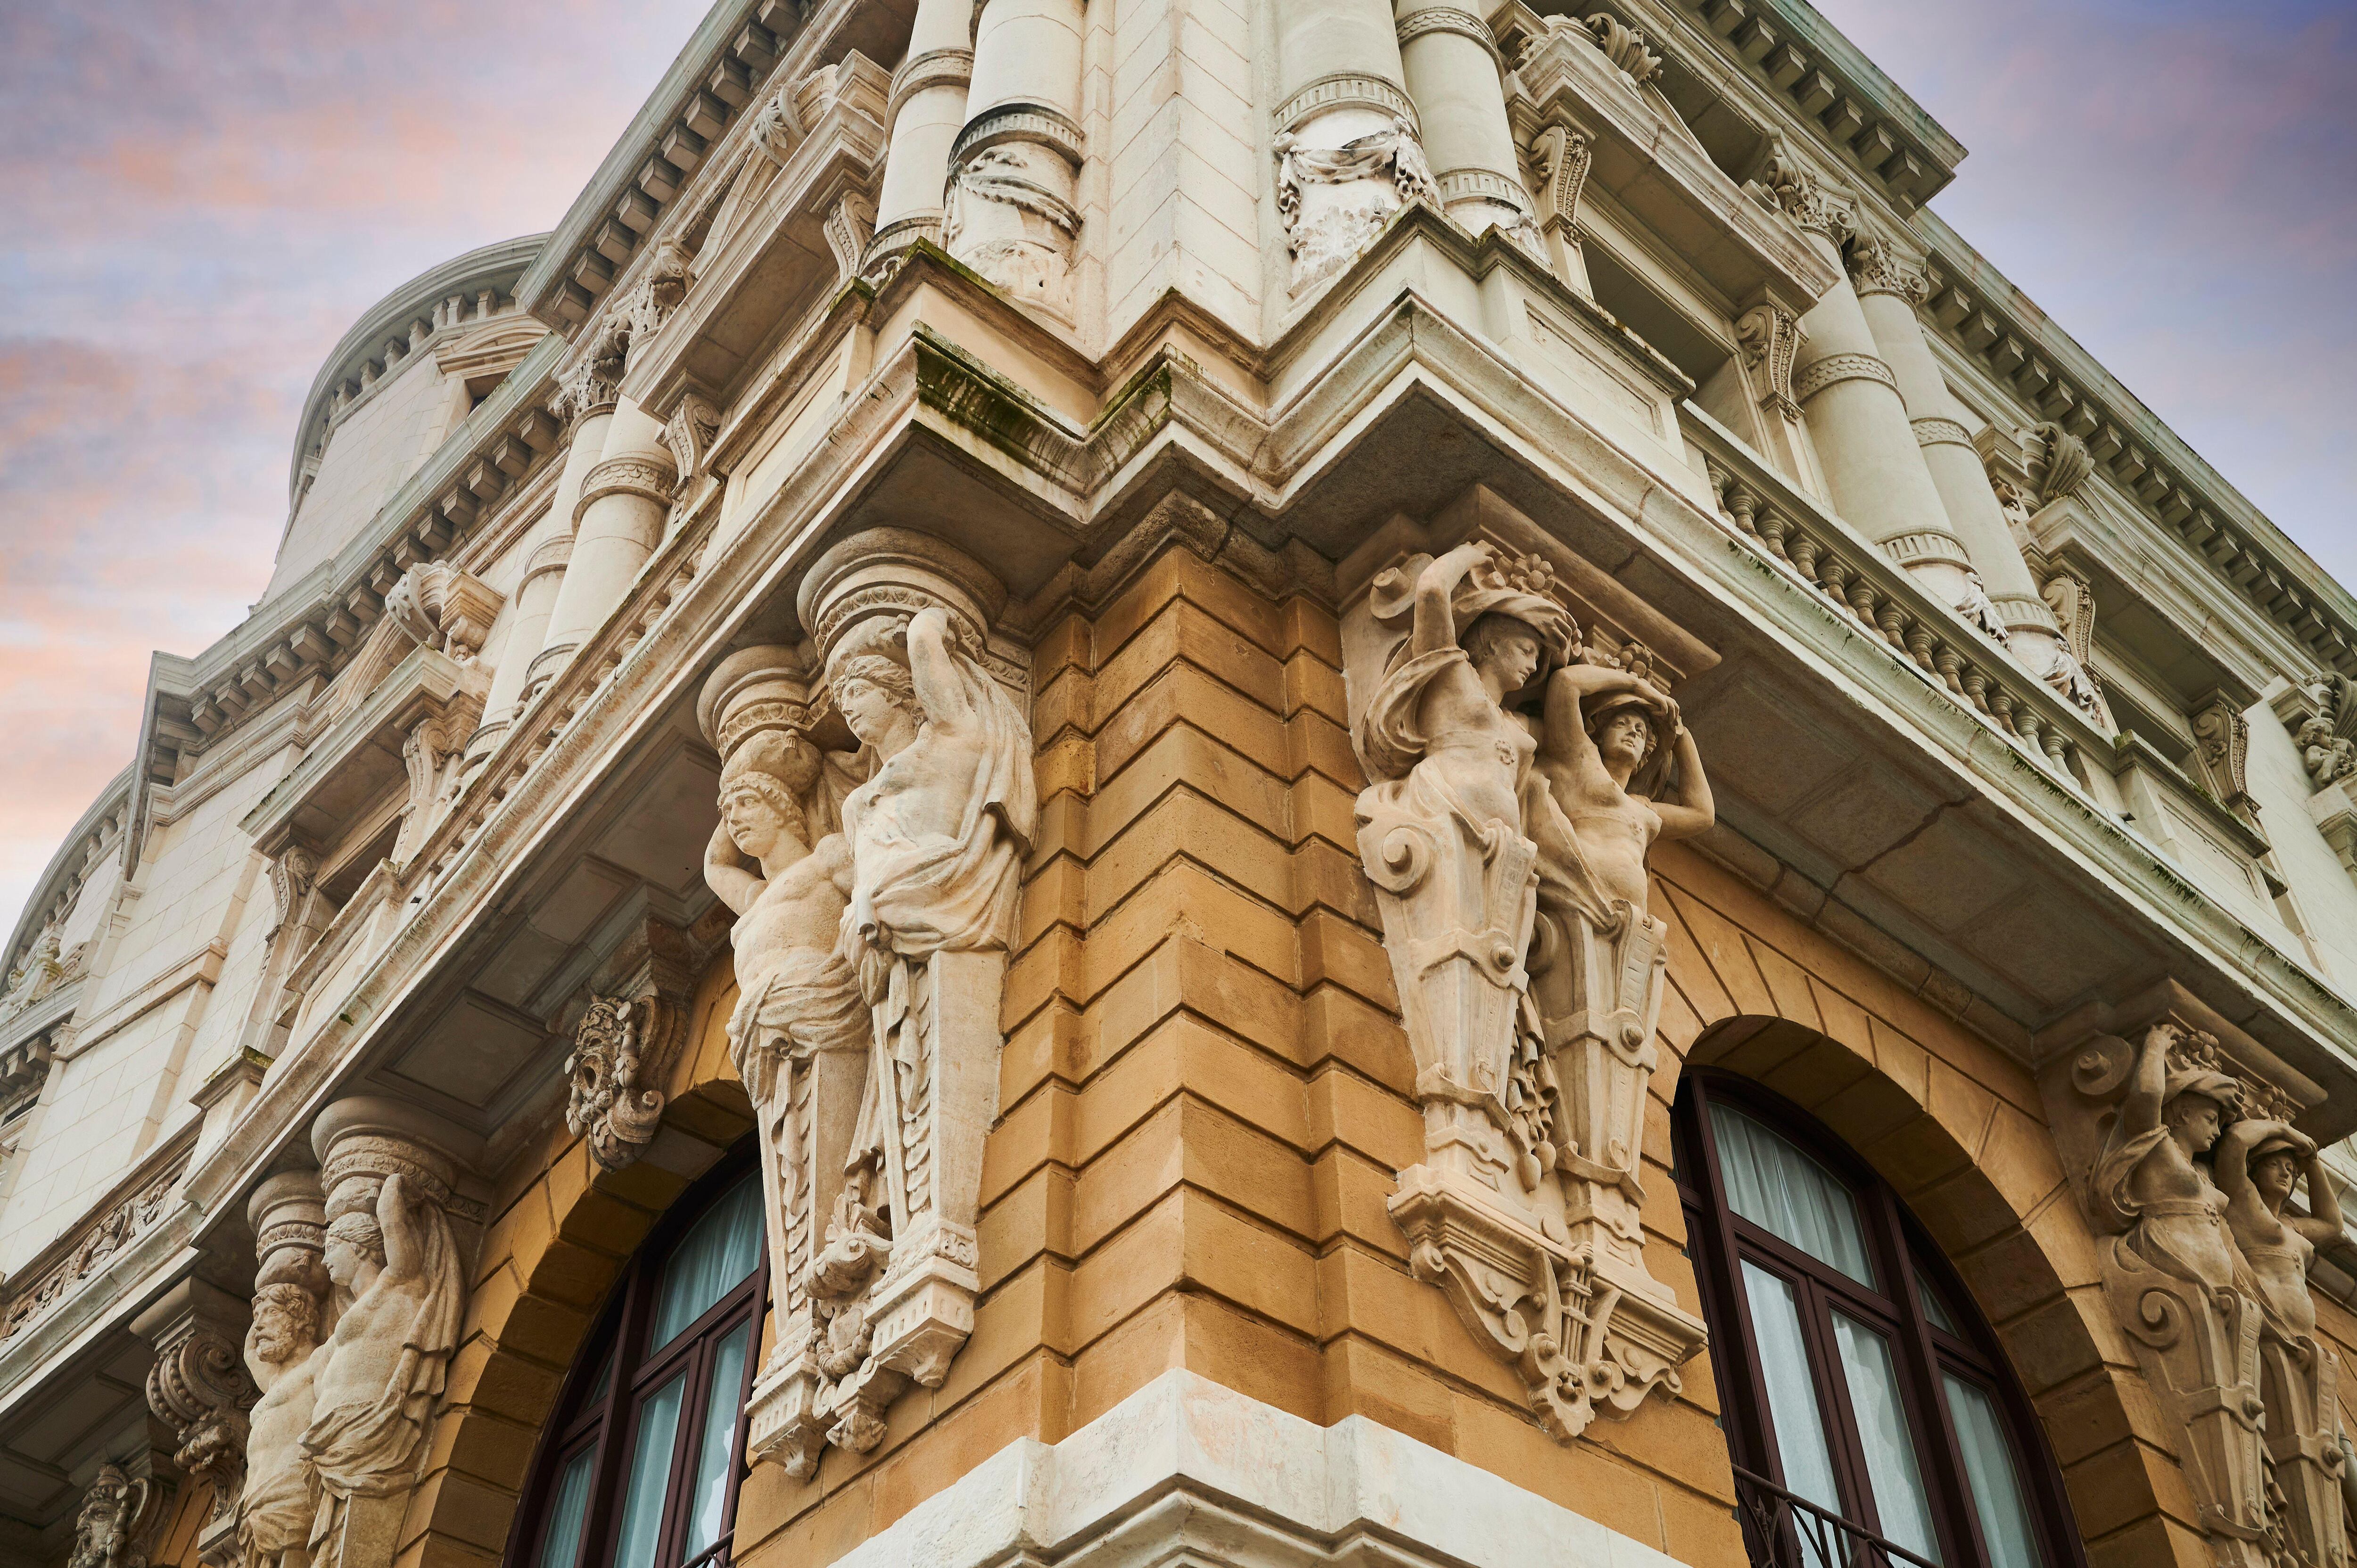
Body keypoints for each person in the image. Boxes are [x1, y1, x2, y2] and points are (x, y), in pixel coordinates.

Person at [1352, 542, 1576, 836]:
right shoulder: (1453, 675)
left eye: (1537, 658)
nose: (1534, 667)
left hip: (1505, 848)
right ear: (1494, 643)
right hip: (1443, 819)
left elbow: (1573, 741)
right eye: (1526, 650)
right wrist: (1469, 555)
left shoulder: (1517, 722)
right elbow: (1432, 590)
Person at [301, 1174, 463, 1568]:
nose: (325, 1261)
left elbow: (391, 1221)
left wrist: (392, 1185)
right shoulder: (346, 1313)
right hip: (332, 1441)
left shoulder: (399, 1280)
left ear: (359, 1247)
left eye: (333, 1247)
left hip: (372, 1425)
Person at [1528, 662, 1713, 923]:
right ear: (1600, 736)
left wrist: (1681, 735)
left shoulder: (1643, 809)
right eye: (1622, 724)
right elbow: (1566, 682)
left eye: (1641, 731)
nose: (1632, 732)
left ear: (1646, 754)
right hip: (1572, 898)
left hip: (1625, 922)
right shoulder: (1579, 761)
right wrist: (1638, 687)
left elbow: (1702, 814)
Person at [2090, 1024, 2250, 1291]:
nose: (2217, 1131)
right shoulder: (2160, 1146)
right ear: (2185, 1114)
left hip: (2215, 1296)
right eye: (2211, 1120)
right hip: (2171, 1277)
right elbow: (2146, 1097)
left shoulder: (2203, 1174)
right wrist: (2155, 1044)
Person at [2217, 1118, 2342, 1340]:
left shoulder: (2292, 1226)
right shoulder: (2244, 1201)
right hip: (2259, 1318)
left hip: (2297, 1339)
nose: (2284, 1173)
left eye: (2290, 1169)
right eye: (2274, 1164)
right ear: (2254, 1171)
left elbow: (2332, 1224)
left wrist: (2310, 1158)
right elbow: (2236, 1139)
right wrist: (2284, 1129)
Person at [239, 1282, 326, 1568]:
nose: (260, 1325)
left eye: (272, 1313)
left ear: (302, 1320)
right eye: (257, 1317)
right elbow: (250, 1353)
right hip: (256, 1508)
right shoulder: (272, 1383)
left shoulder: (319, 1362)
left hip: (294, 1502)